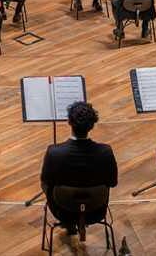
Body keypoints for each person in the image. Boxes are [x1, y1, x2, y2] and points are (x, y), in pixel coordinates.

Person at [41, 101, 117, 236]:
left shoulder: (54, 152)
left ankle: (69, 224)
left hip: (63, 211)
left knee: (46, 183)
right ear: (92, 125)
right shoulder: (105, 152)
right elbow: (112, 183)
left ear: (69, 122)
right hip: (96, 210)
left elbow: (46, 181)